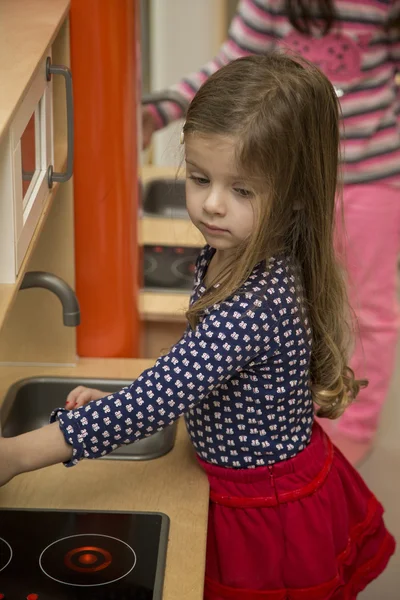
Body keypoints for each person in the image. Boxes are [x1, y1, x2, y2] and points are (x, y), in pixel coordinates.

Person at [0, 54, 395, 599]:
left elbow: (159, 398)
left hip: (262, 509)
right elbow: (188, 374)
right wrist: (111, 403)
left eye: (243, 190)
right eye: (201, 177)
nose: (211, 205)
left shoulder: (250, 307)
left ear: (298, 194)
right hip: (254, 479)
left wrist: (16, 456)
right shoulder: (240, 249)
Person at [144, 0, 400, 466]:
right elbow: (232, 63)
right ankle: (293, 415)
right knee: (292, 296)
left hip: (372, 175)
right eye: (199, 180)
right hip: (273, 181)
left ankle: (349, 437)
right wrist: (161, 109)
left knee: (371, 312)